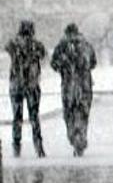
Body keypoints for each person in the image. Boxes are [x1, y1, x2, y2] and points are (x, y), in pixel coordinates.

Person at [50, 23, 98, 157]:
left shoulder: (61, 47)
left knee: (69, 112)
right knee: (83, 113)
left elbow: (54, 64)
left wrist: (65, 69)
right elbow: (94, 62)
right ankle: (81, 135)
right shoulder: (86, 45)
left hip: (68, 85)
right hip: (84, 86)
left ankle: (72, 134)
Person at [5, 20, 46, 157]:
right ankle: (38, 146)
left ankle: (16, 146)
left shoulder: (13, 44)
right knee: (34, 115)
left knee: (17, 117)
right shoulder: (36, 45)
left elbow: (7, 47)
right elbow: (44, 54)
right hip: (32, 84)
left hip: (16, 84)